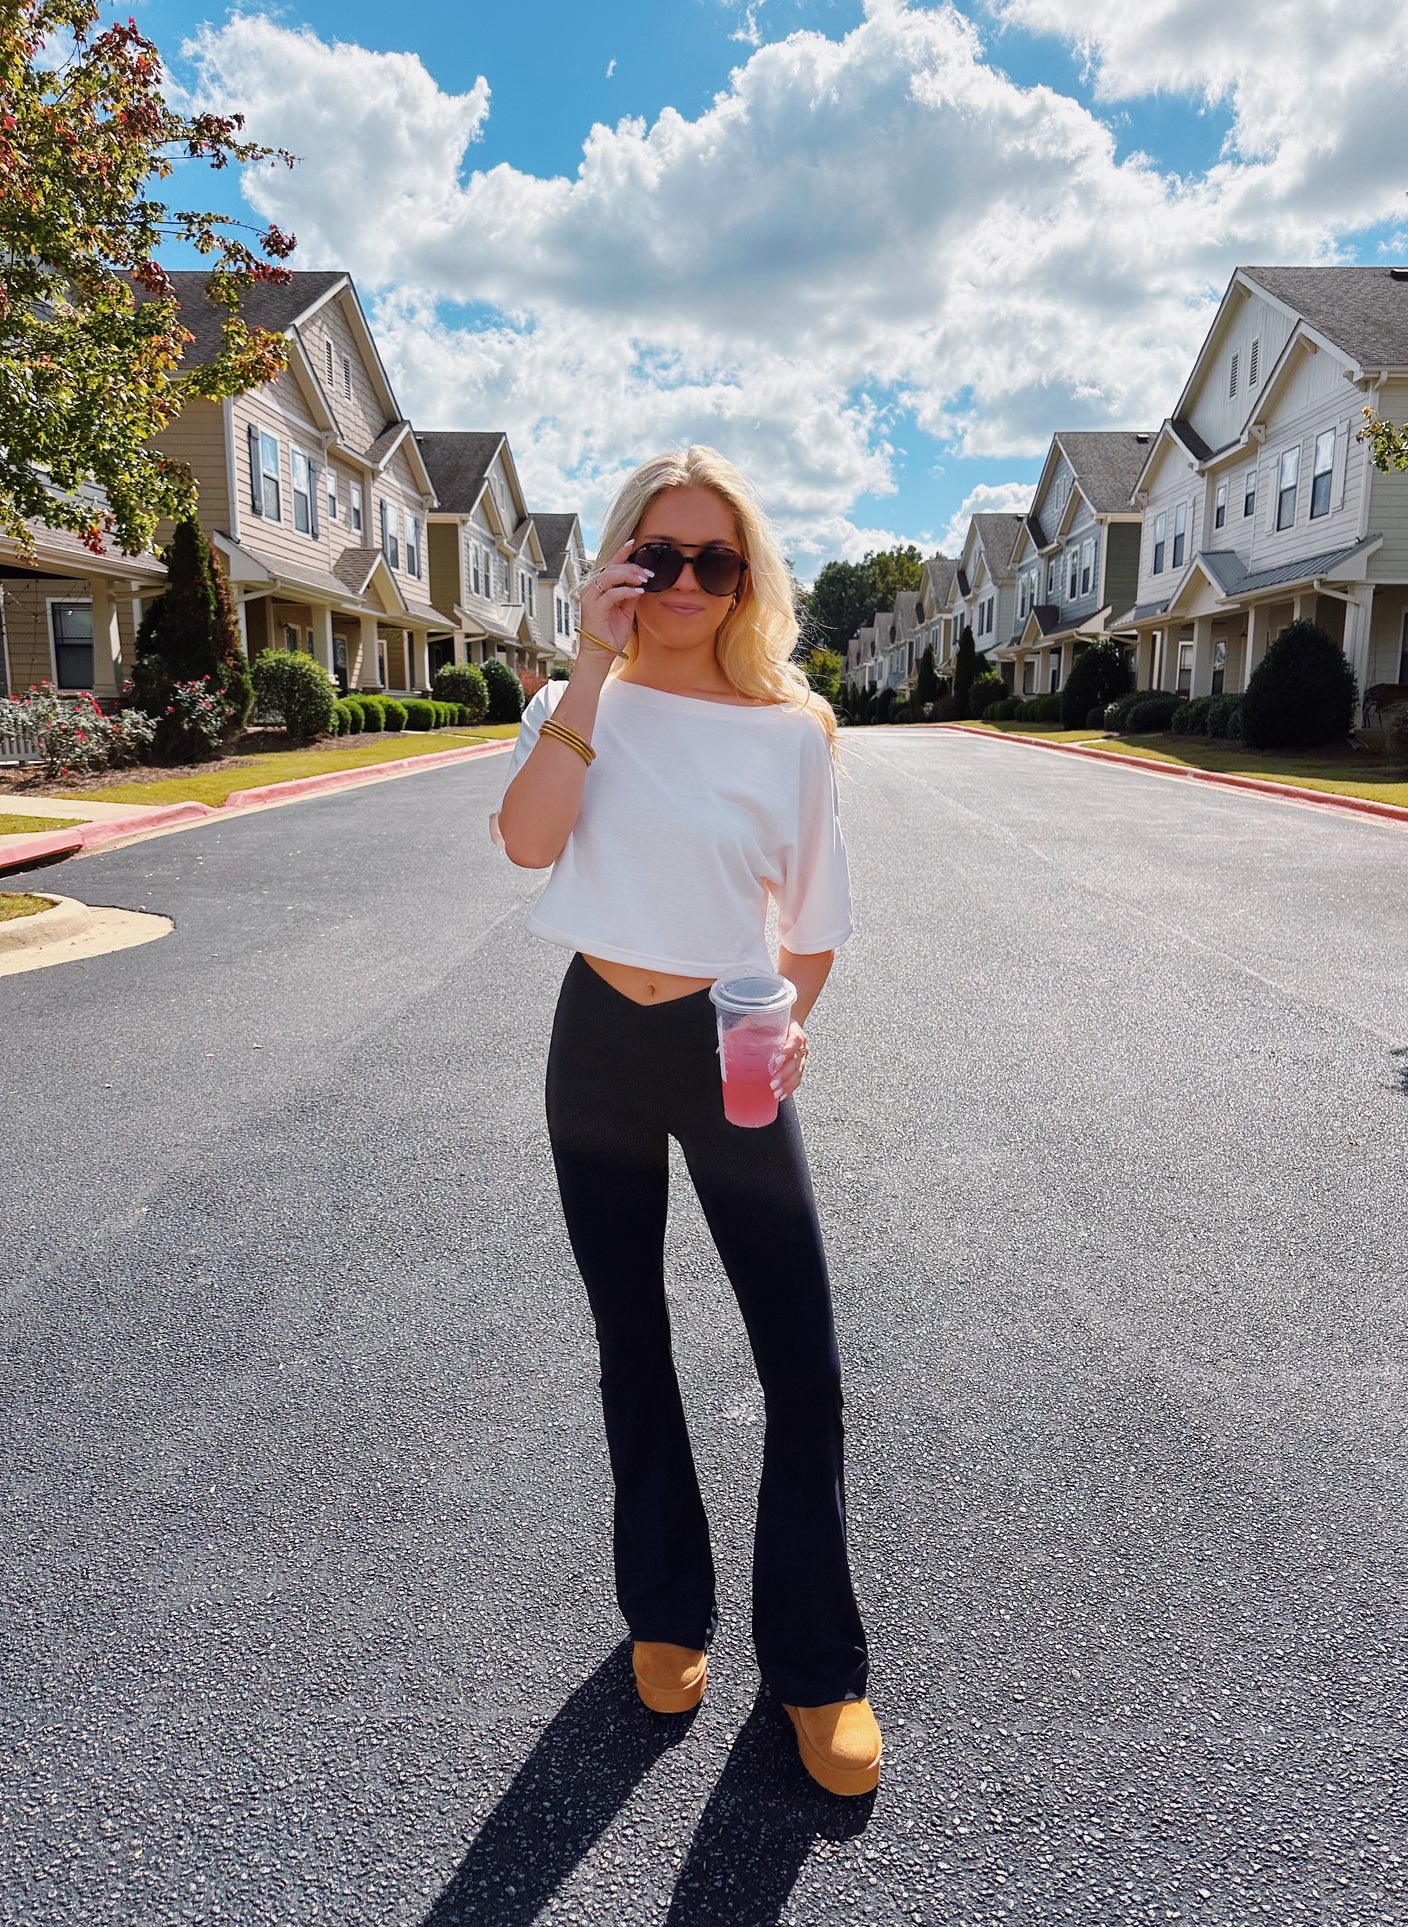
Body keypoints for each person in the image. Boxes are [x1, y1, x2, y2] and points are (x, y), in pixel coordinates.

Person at [490, 445, 879, 1798]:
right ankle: (664, 1612)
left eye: (718, 562)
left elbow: (814, 921)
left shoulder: (791, 731)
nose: (687, 585)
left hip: (732, 1030)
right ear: (620, 562)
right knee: (632, 1342)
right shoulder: (574, 700)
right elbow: (528, 843)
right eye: (661, 557)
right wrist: (588, 673)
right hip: (595, 1033)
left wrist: (781, 1032)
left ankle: (816, 1671)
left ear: (748, 580)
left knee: (803, 1365)